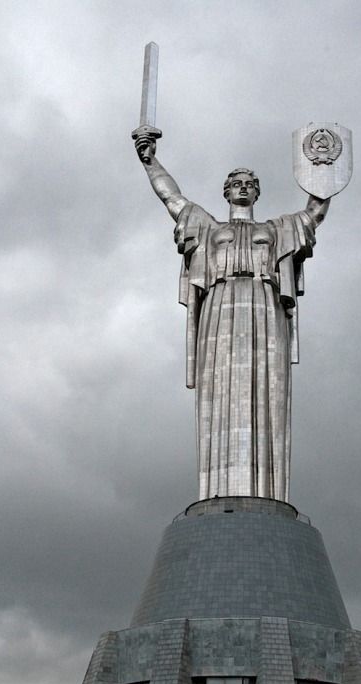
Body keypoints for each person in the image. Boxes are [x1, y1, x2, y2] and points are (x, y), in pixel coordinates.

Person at [135, 136, 330, 501]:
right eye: (236, 184)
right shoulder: (209, 229)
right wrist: (150, 163)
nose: (243, 188)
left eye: (249, 185)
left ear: (256, 193)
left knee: (267, 387)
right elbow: (172, 199)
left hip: (264, 303)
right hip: (220, 305)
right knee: (219, 388)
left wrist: (324, 172)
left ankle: (266, 493)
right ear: (226, 192)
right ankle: (218, 492)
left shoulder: (274, 230)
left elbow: (314, 214)